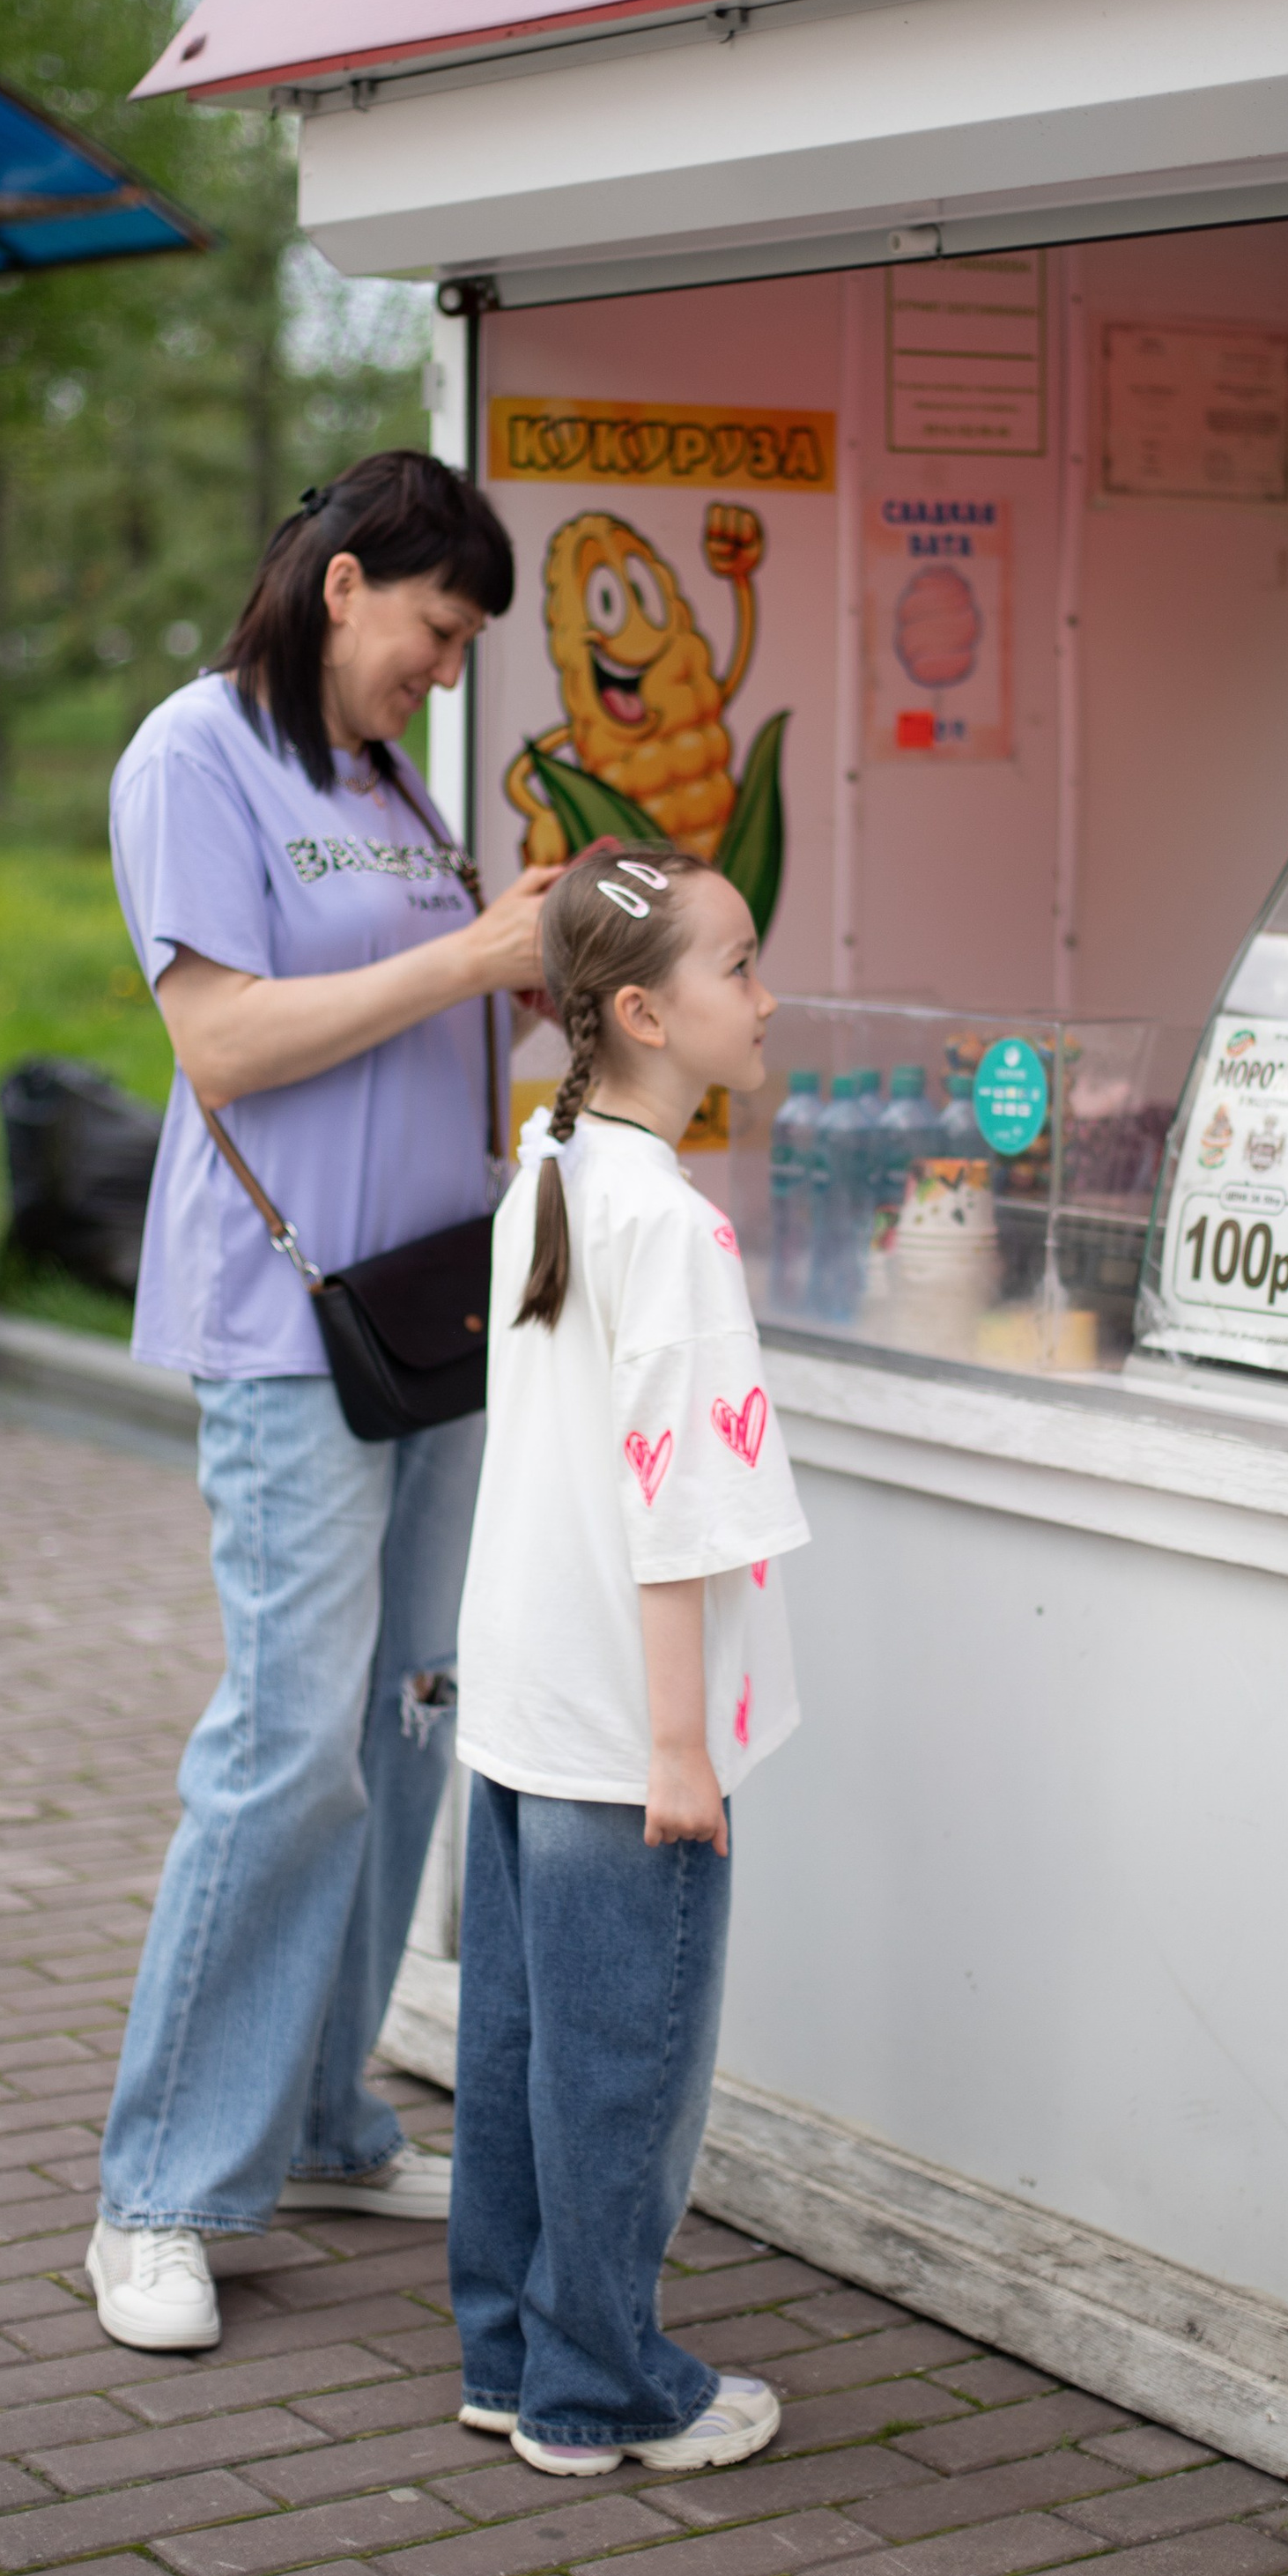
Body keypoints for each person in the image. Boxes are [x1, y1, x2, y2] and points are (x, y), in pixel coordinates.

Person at [86, 452, 558, 2357]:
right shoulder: (191, 758)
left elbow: (420, 1025)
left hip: (434, 1321)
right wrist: (465, 951)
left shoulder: (382, 782)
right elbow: (222, 1043)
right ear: (346, 583)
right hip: (290, 1326)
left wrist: (550, 968)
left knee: (405, 1725)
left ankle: (319, 2123)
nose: (443, 675)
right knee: (289, 1745)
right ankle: (157, 2193)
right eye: (436, 636)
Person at [448, 840, 809, 2475]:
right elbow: (681, 1521)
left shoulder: (553, 1166)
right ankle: (601, 2390)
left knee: (521, 2051)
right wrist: (684, 1753)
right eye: (743, 969)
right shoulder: (671, 1228)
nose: (768, 996)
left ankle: (514, 2352)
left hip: (528, 1707)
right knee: (624, 2075)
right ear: (649, 1014)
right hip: (622, 1732)